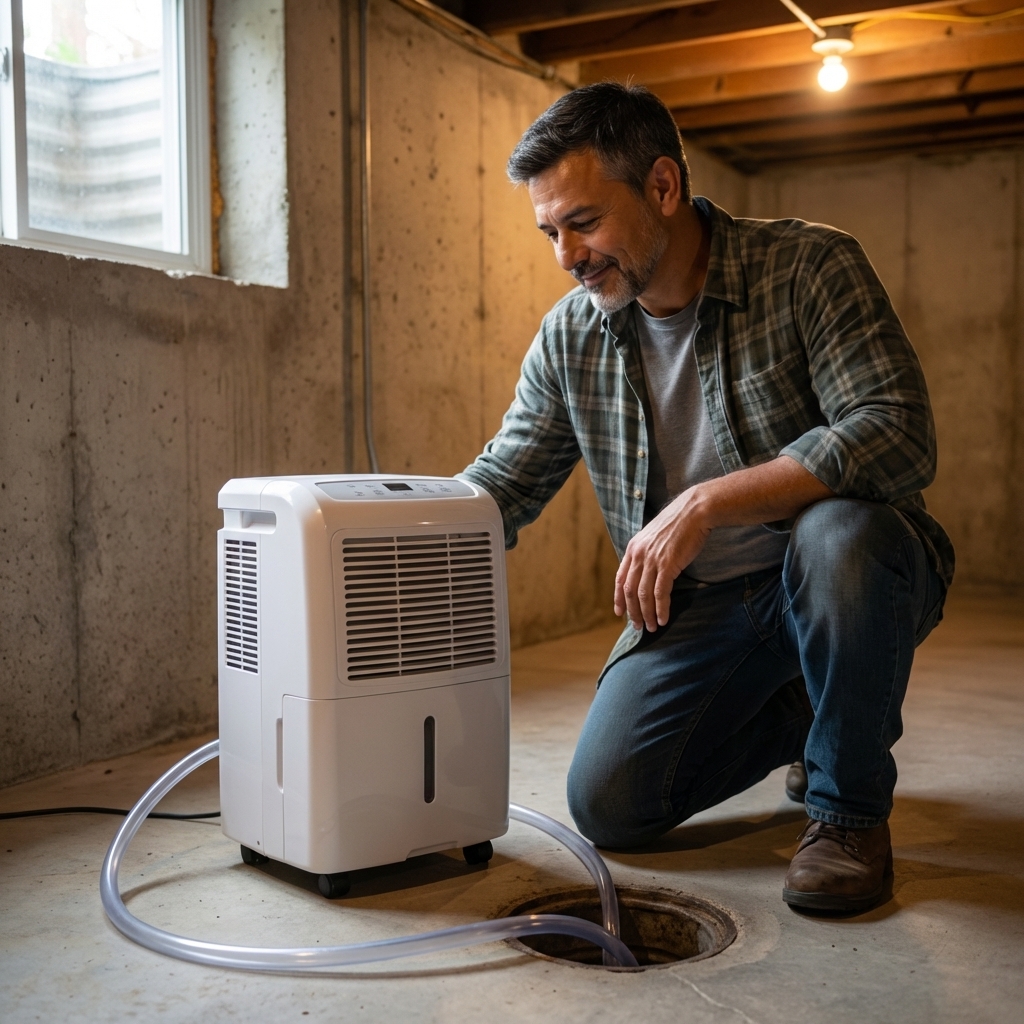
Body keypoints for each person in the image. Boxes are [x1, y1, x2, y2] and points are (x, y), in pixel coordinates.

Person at [459, 82, 953, 914]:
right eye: (550, 231)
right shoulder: (571, 334)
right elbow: (502, 484)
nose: (566, 256)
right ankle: (822, 710)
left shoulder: (808, 266)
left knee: (834, 534)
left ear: (661, 187)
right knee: (611, 804)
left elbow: (897, 429)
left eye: (584, 222)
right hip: (705, 608)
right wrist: (376, 533)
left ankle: (847, 814)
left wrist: (706, 503)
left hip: (845, 576)